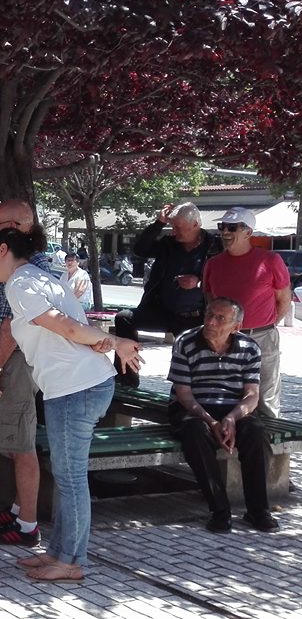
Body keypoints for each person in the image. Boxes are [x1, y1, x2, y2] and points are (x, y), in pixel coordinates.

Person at [0, 228, 141, 583]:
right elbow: (73, 329)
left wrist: (115, 340)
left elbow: (67, 327)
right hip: (77, 385)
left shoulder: (21, 284)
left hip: (76, 388)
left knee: (70, 479)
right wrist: (105, 341)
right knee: (67, 476)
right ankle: (58, 552)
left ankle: (70, 561)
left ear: (4, 249)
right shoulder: (39, 279)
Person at [167, 297, 278, 533]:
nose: (211, 322)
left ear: (236, 327)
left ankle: (258, 510)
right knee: (195, 433)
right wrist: (211, 421)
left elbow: (252, 395)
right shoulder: (185, 342)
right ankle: (219, 510)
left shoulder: (249, 348)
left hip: (232, 408)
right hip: (193, 407)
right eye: (209, 314)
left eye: (220, 318)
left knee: (256, 433)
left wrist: (231, 418)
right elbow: (184, 395)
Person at [0, 200, 49, 547]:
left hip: (13, 360)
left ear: (21, 226)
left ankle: (27, 526)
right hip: (7, 356)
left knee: (21, 442)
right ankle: (21, 510)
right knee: (15, 438)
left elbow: (11, 324)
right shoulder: (16, 262)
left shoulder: (27, 269)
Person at [114, 202, 220, 388]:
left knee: (189, 365)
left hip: (195, 317)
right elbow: (140, 249)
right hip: (162, 311)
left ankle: (187, 393)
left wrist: (199, 282)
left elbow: (224, 279)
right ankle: (127, 379)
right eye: (172, 226)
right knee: (124, 318)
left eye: (178, 227)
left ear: (195, 224)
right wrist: (158, 223)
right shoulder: (169, 244)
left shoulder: (214, 247)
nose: (173, 232)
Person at [202, 207, 290, 418]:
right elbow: (211, 301)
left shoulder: (270, 260)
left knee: (266, 398)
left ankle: (271, 439)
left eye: (232, 227)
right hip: (226, 340)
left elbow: (284, 300)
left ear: (248, 232)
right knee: (227, 396)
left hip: (262, 338)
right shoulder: (213, 264)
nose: (225, 232)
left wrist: (266, 326)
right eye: (222, 226)